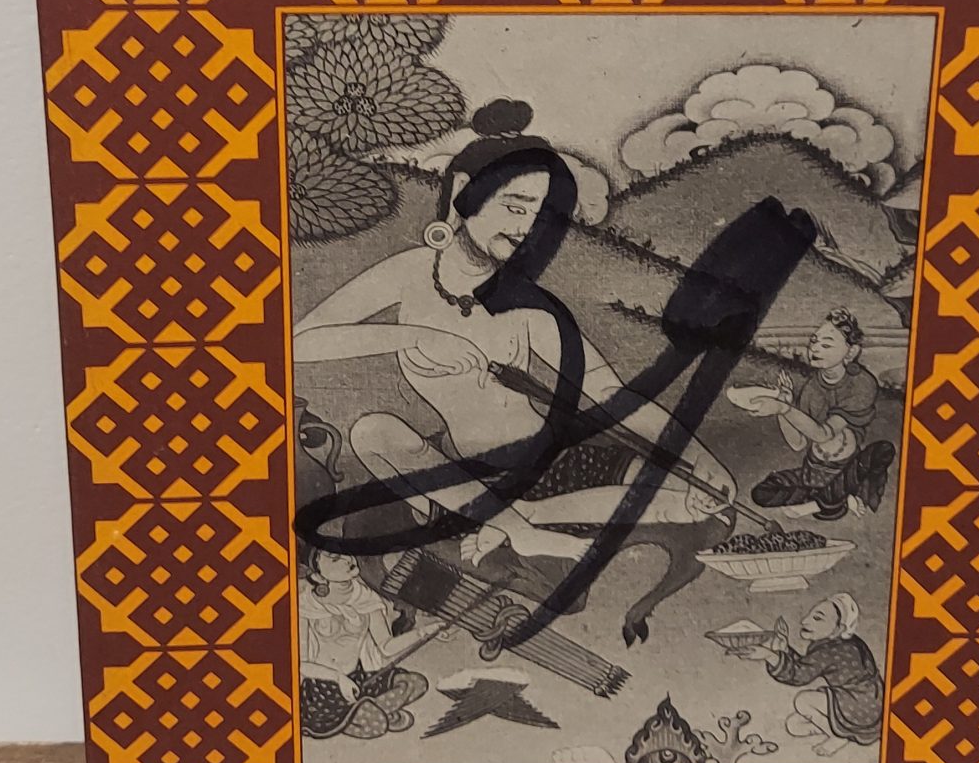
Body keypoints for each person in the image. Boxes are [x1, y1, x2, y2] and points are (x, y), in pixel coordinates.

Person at [292, 100, 738, 570]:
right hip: (470, 474)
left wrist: (699, 456)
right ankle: (516, 526)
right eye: (514, 207)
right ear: (463, 192)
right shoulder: (409, 273)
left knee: (692, 497)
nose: (526, 229)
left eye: (540, 217)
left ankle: (525, 520)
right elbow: (300, 343)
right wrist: (412, 335)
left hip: (554, 469)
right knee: (373, 431)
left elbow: (610, 394)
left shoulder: (530, 305)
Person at [736, 308, 887, 520]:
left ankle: (822, 501)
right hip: (813, 471)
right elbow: (798, 443)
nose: (814, 348)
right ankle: (836, 498)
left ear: (851, 352)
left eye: (826, 344)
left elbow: (823, 434)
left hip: (848, 468)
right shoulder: (812, 389)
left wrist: (783, 408)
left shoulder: (862, 383)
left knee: (882, 450)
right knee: (761, 494)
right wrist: (785, 406)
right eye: (814, 341)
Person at [297, 549, 427, 739]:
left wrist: (424, 632)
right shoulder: (306, 605)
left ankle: (369, 711)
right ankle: (367, 715)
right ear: (318, 576)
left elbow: (386, 646)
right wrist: (338, 678)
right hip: (325, 686)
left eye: (344, 553)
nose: (347, 559)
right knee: (376, 726)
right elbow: (299, 663)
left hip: (361, 677)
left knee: (416, 683)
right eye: (335, 559)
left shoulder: (365, 598)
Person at [740, 594, 883, 755]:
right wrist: (785, 650)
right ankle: (841, 732)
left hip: (859, 704)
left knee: (803, 701)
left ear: (839, 628)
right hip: (870, 705)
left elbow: (799, 675)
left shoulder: (832, 650)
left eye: (817, 618)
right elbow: (807, 665)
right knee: (794, 725)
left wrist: (770, 656)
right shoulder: (843, 642)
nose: (804, 621)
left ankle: (838, 737)